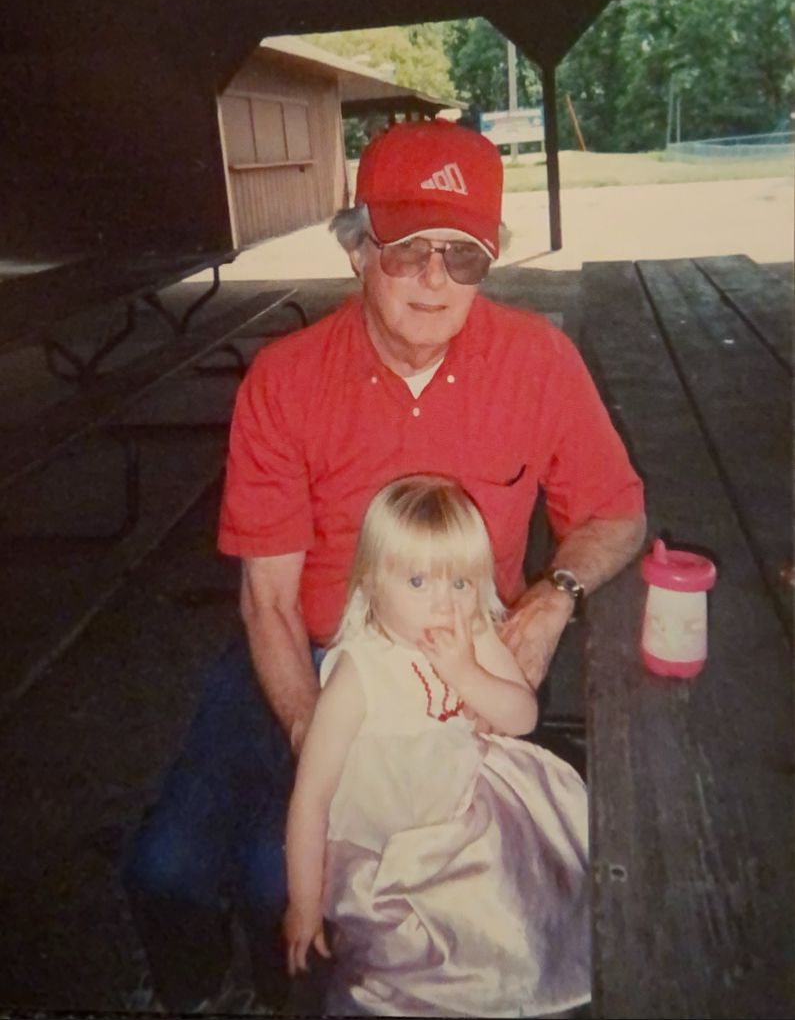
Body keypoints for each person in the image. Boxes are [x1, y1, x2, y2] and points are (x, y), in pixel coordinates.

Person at [123, 117, 645, 1013]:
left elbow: (616, 511)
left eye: (462, 254)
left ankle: (291, 986)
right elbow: (269, 603)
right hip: (310, 649)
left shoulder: (538, 360)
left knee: (280, 878)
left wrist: (549, 601)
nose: (435, 278)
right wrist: (312, 733)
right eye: (407, 250)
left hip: (451, 667)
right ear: (358, 250)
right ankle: (191, 988)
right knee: (166, 866)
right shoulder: (284, 379)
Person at [284, 474, 590, 1018]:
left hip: (464, 819)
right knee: (402, 972)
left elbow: (522, 717)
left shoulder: (472, 636)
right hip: (386, 852)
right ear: (372, 583)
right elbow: (311, 797)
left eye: (460, 583)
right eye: (418, 581)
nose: (444, 604)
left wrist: (467, 672)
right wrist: (304, 904)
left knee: (507, 925)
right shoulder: (359, 674)